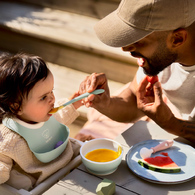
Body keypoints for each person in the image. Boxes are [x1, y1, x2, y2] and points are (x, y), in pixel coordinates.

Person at [77, 0, 195, 143]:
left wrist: (171, 123)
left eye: (137, 39)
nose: (125, 48)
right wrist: (106, 103)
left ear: (178, 39)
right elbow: (134, 99)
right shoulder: (161, 55)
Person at [0, 53, 82, 190]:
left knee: (83, 148)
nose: (52, 99)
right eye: (43, 97)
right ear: (16, 106)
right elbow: (2, 161)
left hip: (70, 162)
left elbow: (61, 113)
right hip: (44, 184)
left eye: (52, 91)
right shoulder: (9, 138)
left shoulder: (47, 114)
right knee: (17, 180)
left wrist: (75, 102)